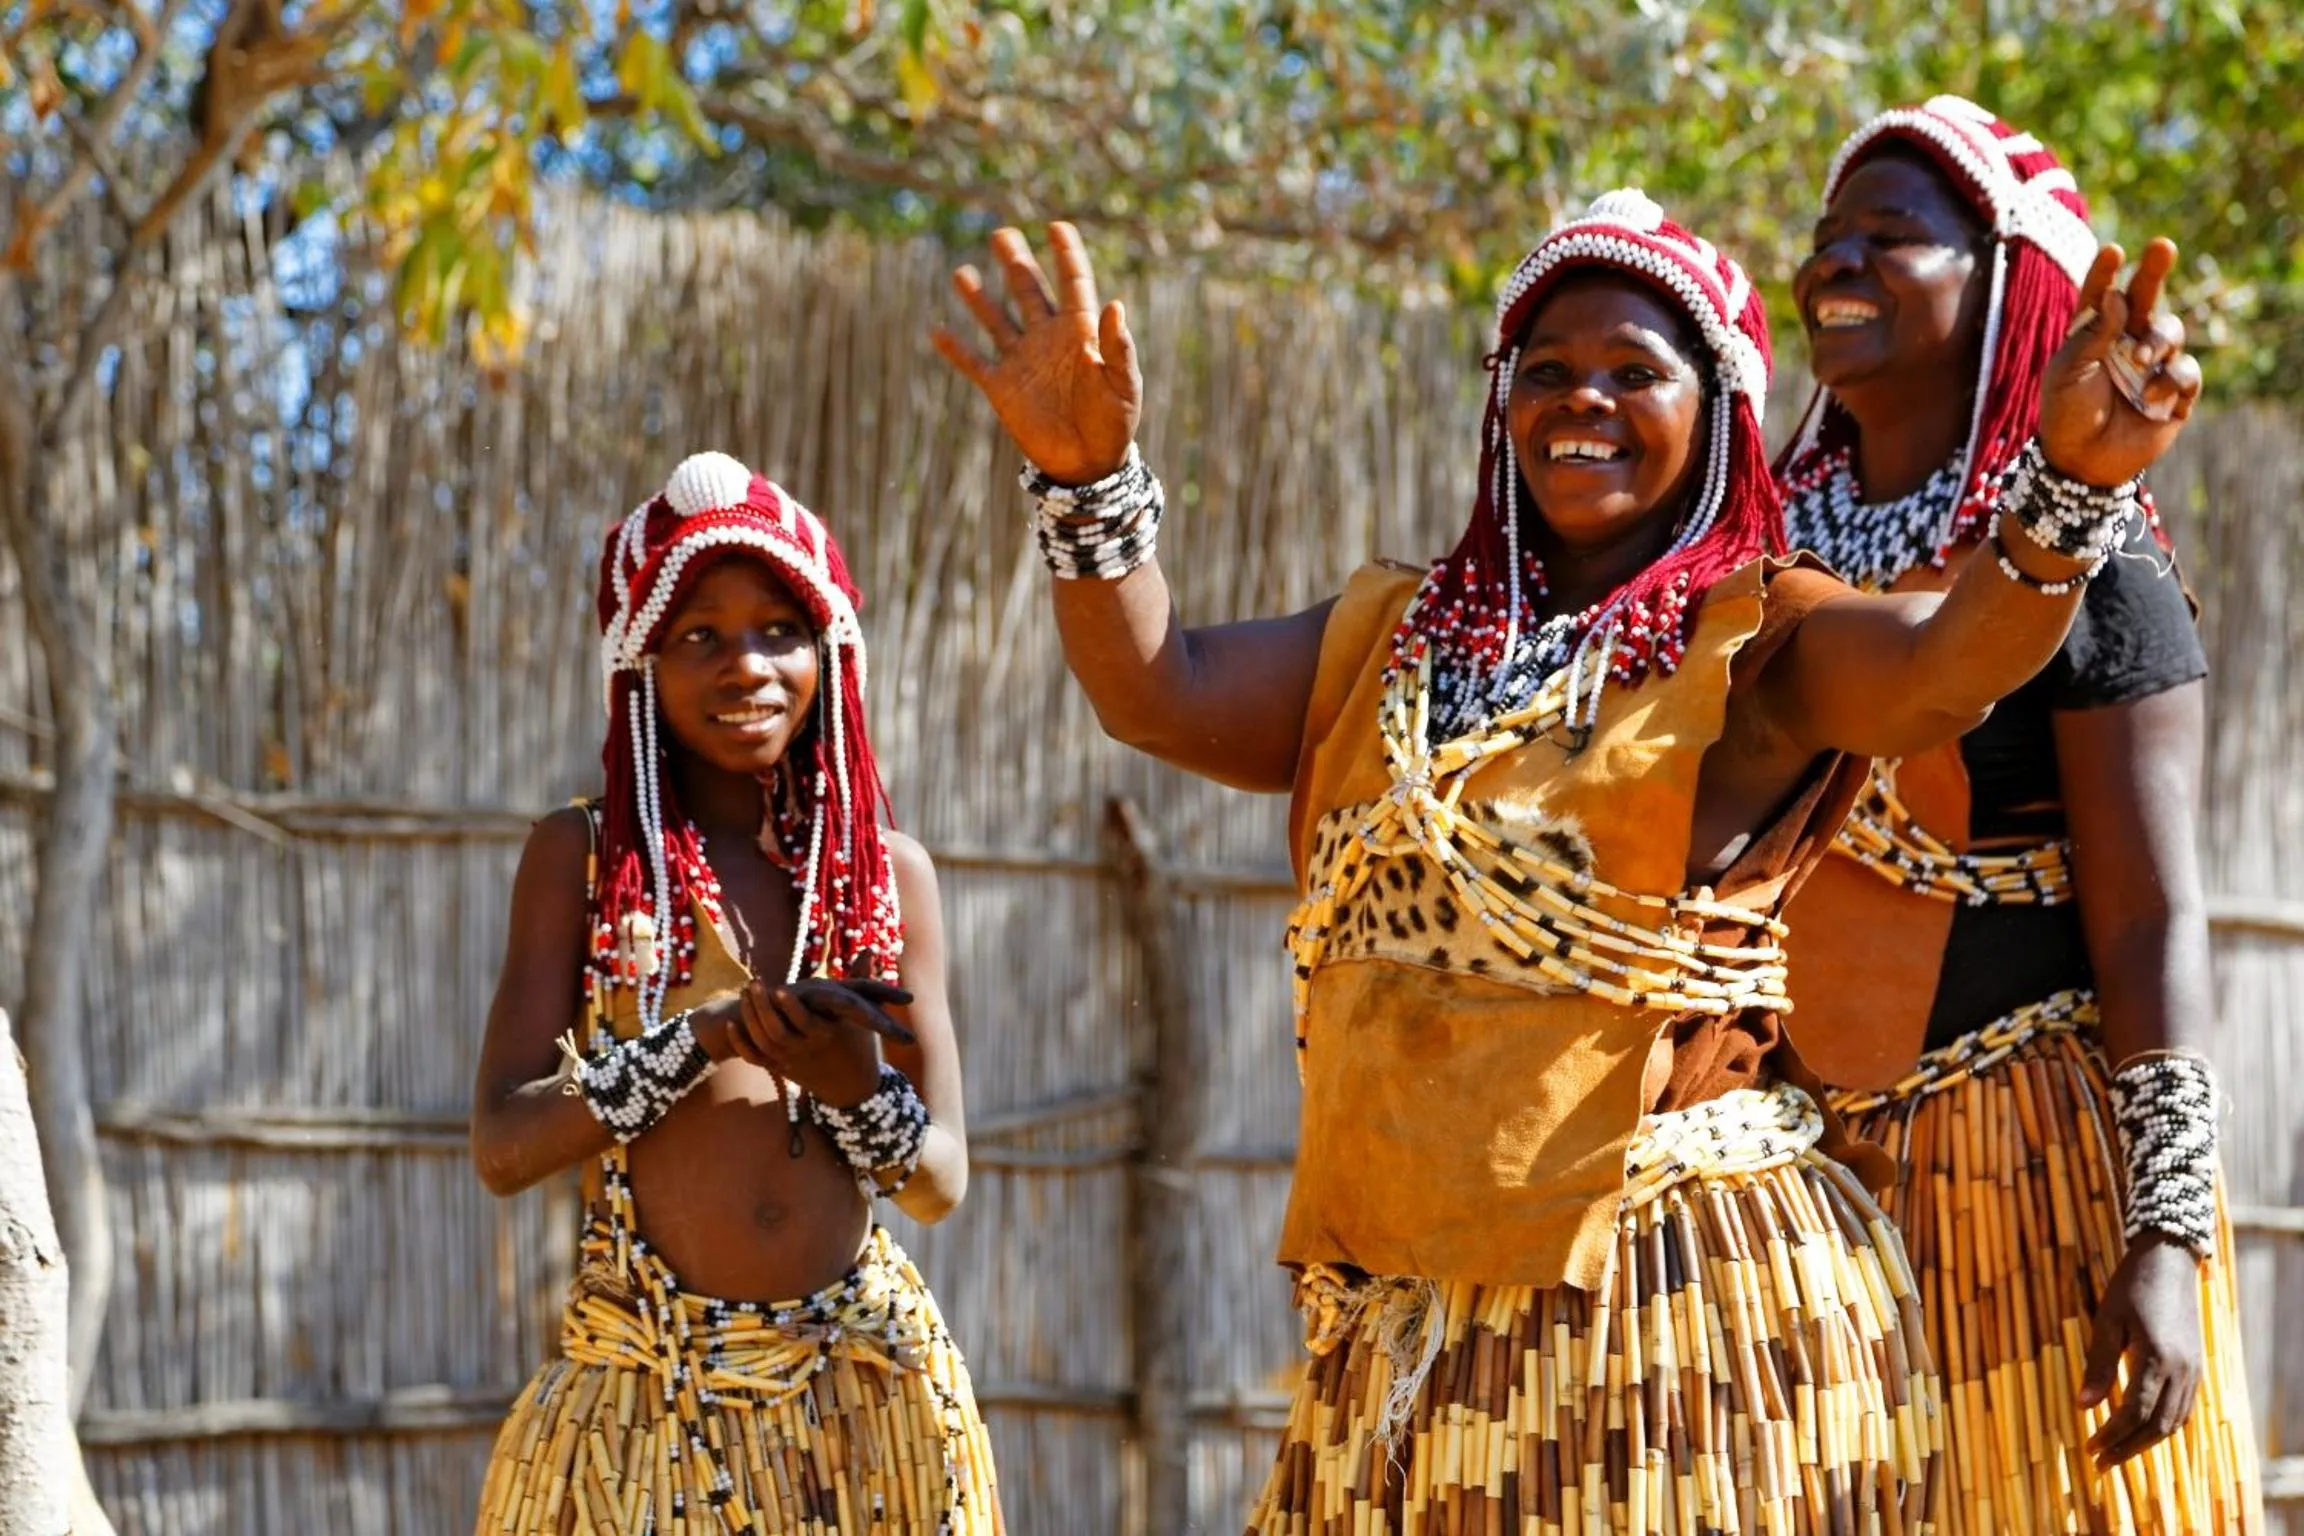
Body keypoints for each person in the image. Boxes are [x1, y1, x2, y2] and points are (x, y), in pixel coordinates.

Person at [931, 187, 2199, 1532]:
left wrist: (2071, 489)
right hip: (1414, 1325)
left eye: (1632, 374)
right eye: (1547, 371)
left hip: (1669, 1329)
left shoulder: (1761, 641)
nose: (1580, 401)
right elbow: (1160, 691)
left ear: (1719, 414)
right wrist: (1084, 483)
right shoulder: (1394, 642)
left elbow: (1945, 671)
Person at [1775, 96, 2261, 1532]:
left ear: (2004, 287)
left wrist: (2165, 1230)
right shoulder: (1745, 556)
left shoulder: (2092, 564)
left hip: (2026, 1180)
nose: (1837, 263)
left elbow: (2153, 910)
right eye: (1825, 234)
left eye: (1892, 235)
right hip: (1787, 1183)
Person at [467, 455, 1002, 1533]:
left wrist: (855, 1092)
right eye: (697, 635)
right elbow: (504, 1148)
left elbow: (940, 1181)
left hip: (868, 1405)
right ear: (641, 663)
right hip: (643, 1418)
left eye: (778, 630)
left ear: (829, 650)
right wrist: (696, 1045)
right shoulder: (583, 860)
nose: (745, 666)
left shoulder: (886, 875)